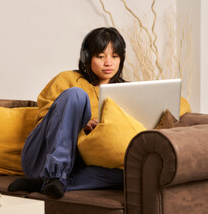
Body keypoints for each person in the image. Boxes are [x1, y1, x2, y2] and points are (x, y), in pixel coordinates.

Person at [8, 27, 126, 198]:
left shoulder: (126, 92)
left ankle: (48, 183)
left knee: (129, 175)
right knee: (76, 95)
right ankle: (55, 174)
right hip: (42, 156)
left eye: (115, 57)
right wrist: (80, 122)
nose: (109, 63)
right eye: (101, 56)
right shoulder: (68, 79)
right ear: (86, 57)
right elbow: (45, 121)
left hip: (82, 163)